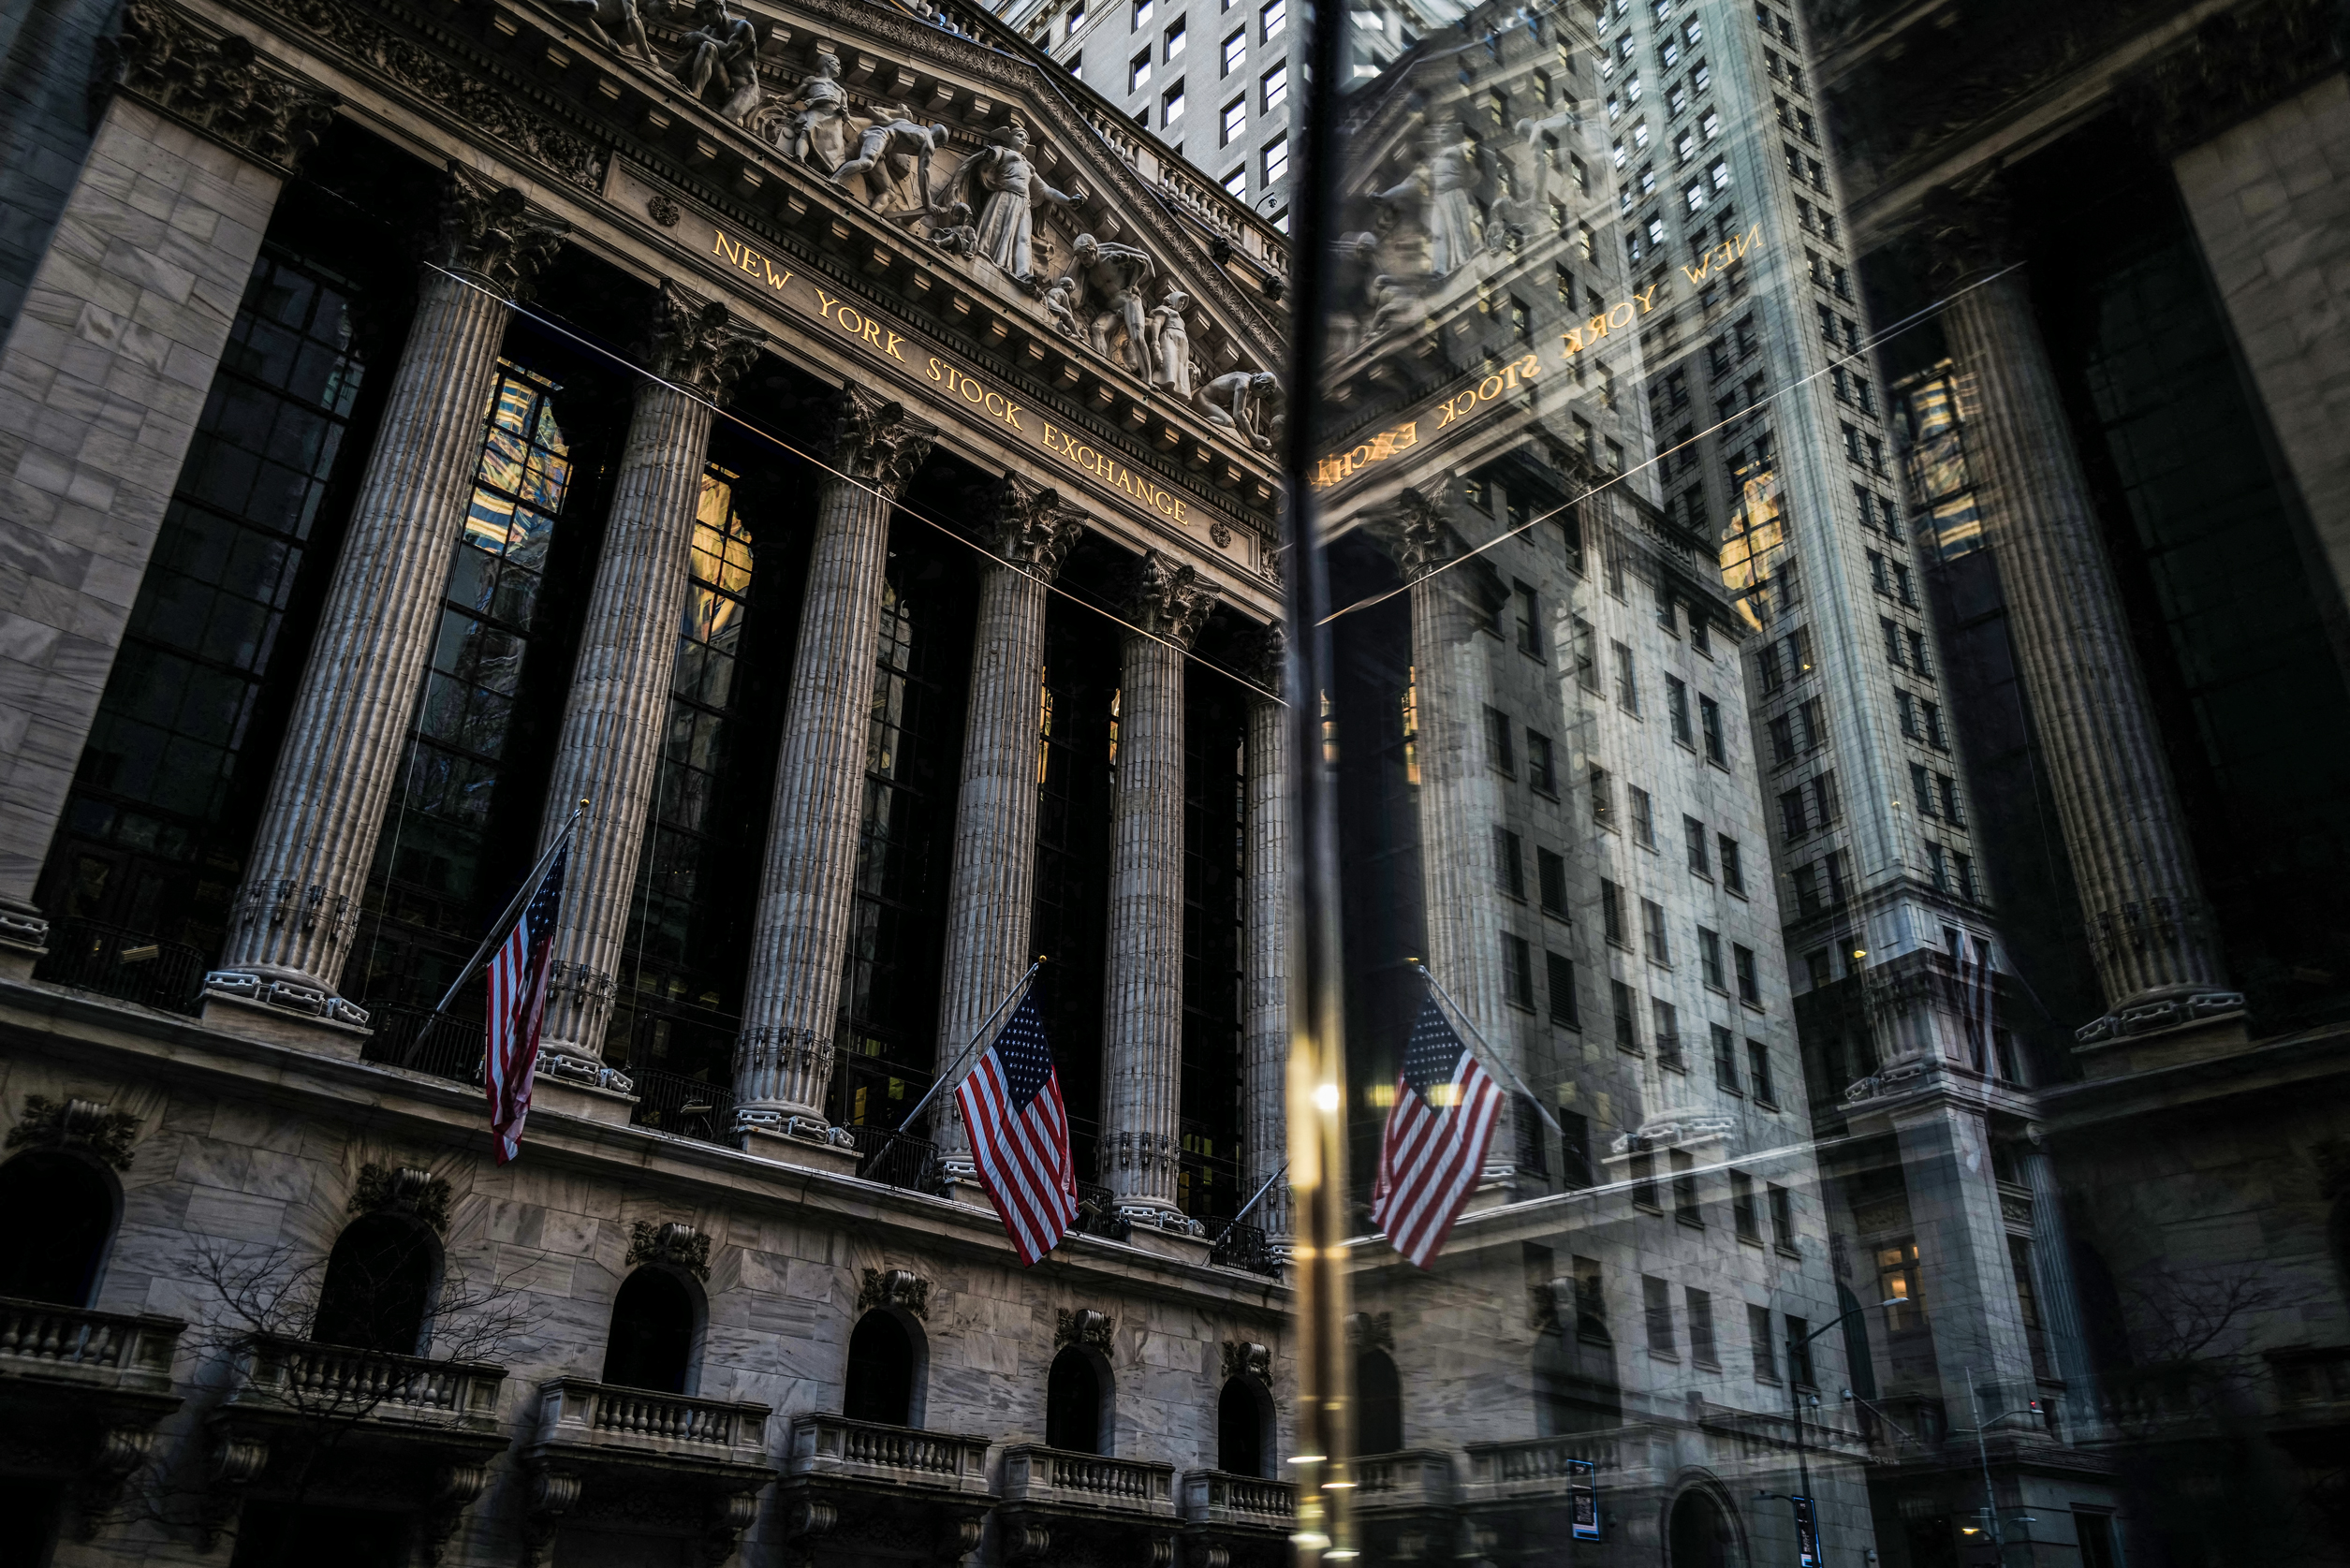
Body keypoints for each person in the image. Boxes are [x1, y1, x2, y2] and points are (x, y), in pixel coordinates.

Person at [962, 121, 1080, 285]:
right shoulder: (1003, 151)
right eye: (1020, 135)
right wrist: (990, 157)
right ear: (1009, 138)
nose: (1024, 139)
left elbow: (1046, 190)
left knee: (1024, 238)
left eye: (1026, 138)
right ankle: (987, 257)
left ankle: (1023, 272)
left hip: (1023, 203)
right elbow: (993, 157)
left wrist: (1068, 201)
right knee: (995, 229)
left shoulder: (1029, 166)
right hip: (1005, 196)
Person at [833, 105, 950, 213]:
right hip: (879, 138)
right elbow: (924, 171)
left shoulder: (905, 123)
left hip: (872, 139)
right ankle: (834, 180)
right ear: (938, 141)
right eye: (939, 145)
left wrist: (896, 113)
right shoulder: (928, 142)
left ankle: (871, 214)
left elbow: (871, 111)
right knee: (867, 163)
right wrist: (928, 204)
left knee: (890, 193)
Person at [1068, 234, 1155, 374]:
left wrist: (1133, 285)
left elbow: (1143, 262)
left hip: (1128, 301)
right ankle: (1102, 367)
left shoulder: (1111, 258)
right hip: (1111, 308)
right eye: (1080, 259)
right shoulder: (1087, 271)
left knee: (1138, 337)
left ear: (1093, 251)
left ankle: (1148, 379)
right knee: (1097, 328)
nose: (1083, 262)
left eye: (1085, 257)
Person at [672, 0, 761, 124]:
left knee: (722, 123)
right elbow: (688, 59)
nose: (705, 17)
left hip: (745, 88)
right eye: (702, 14)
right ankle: (696, 93)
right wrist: (669, 75)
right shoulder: (708, 31)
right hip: (724, 84)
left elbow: (727, 53)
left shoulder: (743, 27)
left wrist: (700, 36)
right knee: (707, 47)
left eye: (708, 11)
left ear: (720, 8)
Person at [547, 0, 662, 69]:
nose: (662, 17)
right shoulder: (633, 10)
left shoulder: (639, 14)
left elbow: (623, 39)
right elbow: (632, 19)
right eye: (663, 11)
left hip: (586, 12)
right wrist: (647, 55)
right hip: (586, 5)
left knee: (589, 10)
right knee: (591, 6)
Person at [1144, 289, 1195, 396]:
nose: (1182, 303)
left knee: (1179, 368)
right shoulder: (1165, 309)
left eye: (1184, 302)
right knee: (1168, 360)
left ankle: (1174, 391)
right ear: (1173, 299)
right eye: (1181, 300)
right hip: (1170, 338)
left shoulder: (1181, 320)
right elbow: (1157, 323)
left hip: (1182, 345)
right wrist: (1155, 342)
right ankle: (1160, 383)